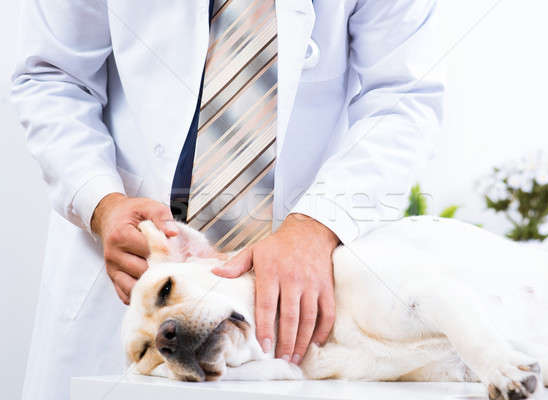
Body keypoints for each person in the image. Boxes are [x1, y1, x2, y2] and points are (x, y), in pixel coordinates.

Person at [12, 0, 443, 399]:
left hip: (293, 286)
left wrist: (317, 225)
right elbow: (53, 75)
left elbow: (403, 98)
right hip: (126, 281)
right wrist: (100, 202)